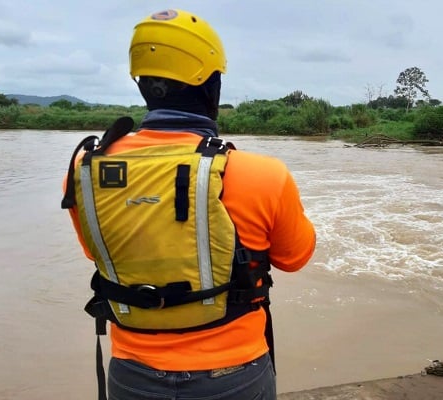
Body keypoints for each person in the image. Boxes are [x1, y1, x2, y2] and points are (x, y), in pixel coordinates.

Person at [62, 9, 316, 400]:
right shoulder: (263, 175)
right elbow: (295, 257)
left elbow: (98, 253)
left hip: (131, 373)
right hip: (236, 374)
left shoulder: (84, 171)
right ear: (211, 85)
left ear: (143, 84)